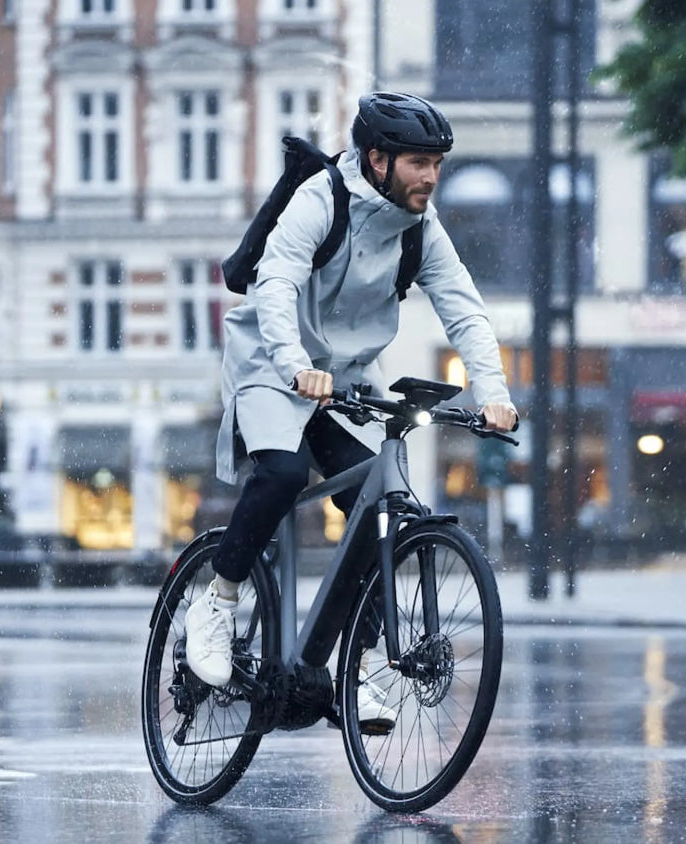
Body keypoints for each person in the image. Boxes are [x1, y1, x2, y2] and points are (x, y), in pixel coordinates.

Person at [186, 92, 518, 730]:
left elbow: (463, 307)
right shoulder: (321, 199)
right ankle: (219, 599)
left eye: (437, 164)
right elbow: (277, 281)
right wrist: (291, 364)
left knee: (382, 509)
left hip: (342, 380)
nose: (430, 177)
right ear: (377, 158)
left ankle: (348, 667)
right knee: (283, 474)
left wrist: (494, 393)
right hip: (271, 362)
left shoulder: (419, 226)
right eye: (419, 162)